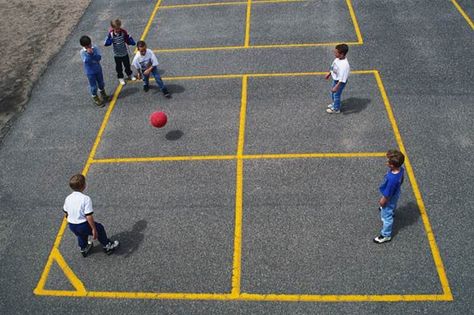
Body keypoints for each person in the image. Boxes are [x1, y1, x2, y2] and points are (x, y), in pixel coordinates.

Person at [63, 174, 119, 257]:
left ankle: (84, 248)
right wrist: (93, 229)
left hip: (72, 225)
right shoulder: (85, 199)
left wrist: (71, 220)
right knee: (99, 228)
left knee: (81, 235)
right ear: (84, 186)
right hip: (83, 225)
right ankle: (107, 246)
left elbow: (66, 212)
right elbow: (88, 216)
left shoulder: (68, 198)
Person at [374, 150, 405, 244]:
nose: (386, 162)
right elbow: (402, 178)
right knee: (393, 204)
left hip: (389, 196)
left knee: (386, 217)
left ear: (392, 165)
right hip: (396, 192)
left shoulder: (391, 180)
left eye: (388, 161)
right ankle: (391, 210)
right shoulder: (401, 169)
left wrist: (382, 202)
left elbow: (387, 195)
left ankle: (385, 235)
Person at [104, 19, 136, 85]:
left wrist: (131, 41)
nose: (118, 30)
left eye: (119, 28)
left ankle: (129, 74)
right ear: (112, 28)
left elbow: (127, 38)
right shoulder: (111, 34)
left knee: (127, 65)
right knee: (119, 67)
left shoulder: (123, 32)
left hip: (124, 52)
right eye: (116, 29)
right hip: (117, 54)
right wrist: (109, 41)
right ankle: (120, 77)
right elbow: (106, 42)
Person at [79, 35, 109, 107]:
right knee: (94, 86)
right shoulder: (82, 52)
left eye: (89, 45)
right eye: (86, 46)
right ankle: (95, 97)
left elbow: (98, 58)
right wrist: (89, 54)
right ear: (83, 46)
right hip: (90, 72)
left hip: (98, 69)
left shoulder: (95, 48)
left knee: (101, 83)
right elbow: (87, 62)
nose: (89, 47)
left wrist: (93, 54)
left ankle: (103, 93)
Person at [325, 43, 350, 114]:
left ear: (341, 54)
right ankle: (335, 104)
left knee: (336, 94)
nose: (334, 53)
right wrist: (329, 73)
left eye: (336, 52)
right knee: (333, 93)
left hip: (340, 82)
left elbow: (342, 79)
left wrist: (336, 86)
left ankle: (336, 109)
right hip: (336, 80)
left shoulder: (345, 65)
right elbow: (333, 67)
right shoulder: (337, 59)